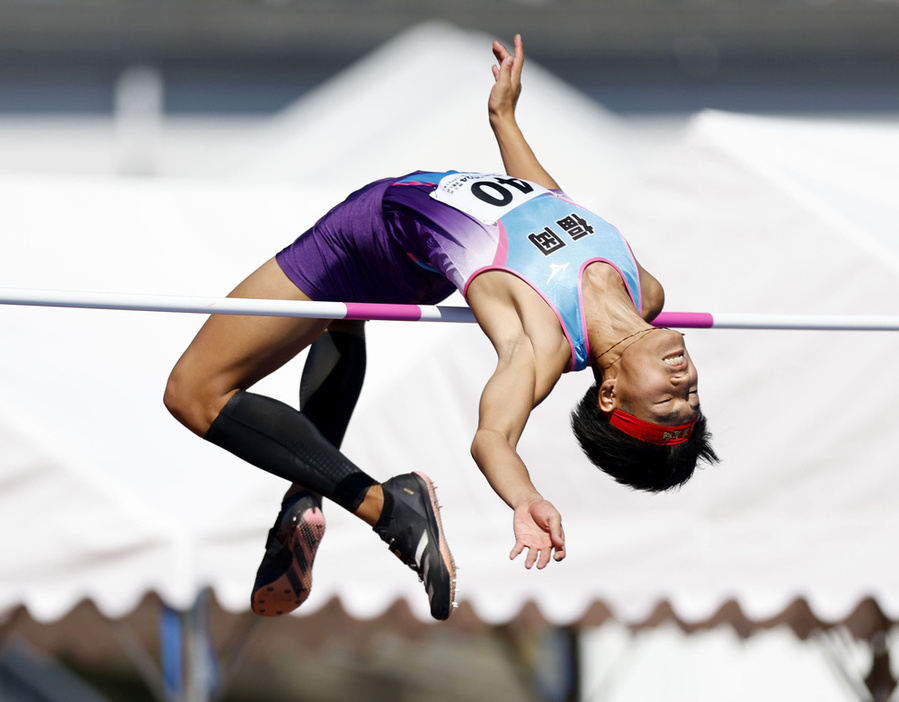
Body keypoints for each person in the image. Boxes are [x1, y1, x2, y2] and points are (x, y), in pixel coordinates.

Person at [163, 34, 717, 622]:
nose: (684, 381)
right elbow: (548, 204)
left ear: (609, 394)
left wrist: (525, 497)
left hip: (371, 233)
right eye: (692, 396)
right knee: (338, 320)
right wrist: (504, 119)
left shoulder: (541, 346)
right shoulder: (645, 289)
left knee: (193, 393)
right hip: (417, 263)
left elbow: (492, 438)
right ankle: (306, 494)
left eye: (667, 401)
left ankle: (386, 507)